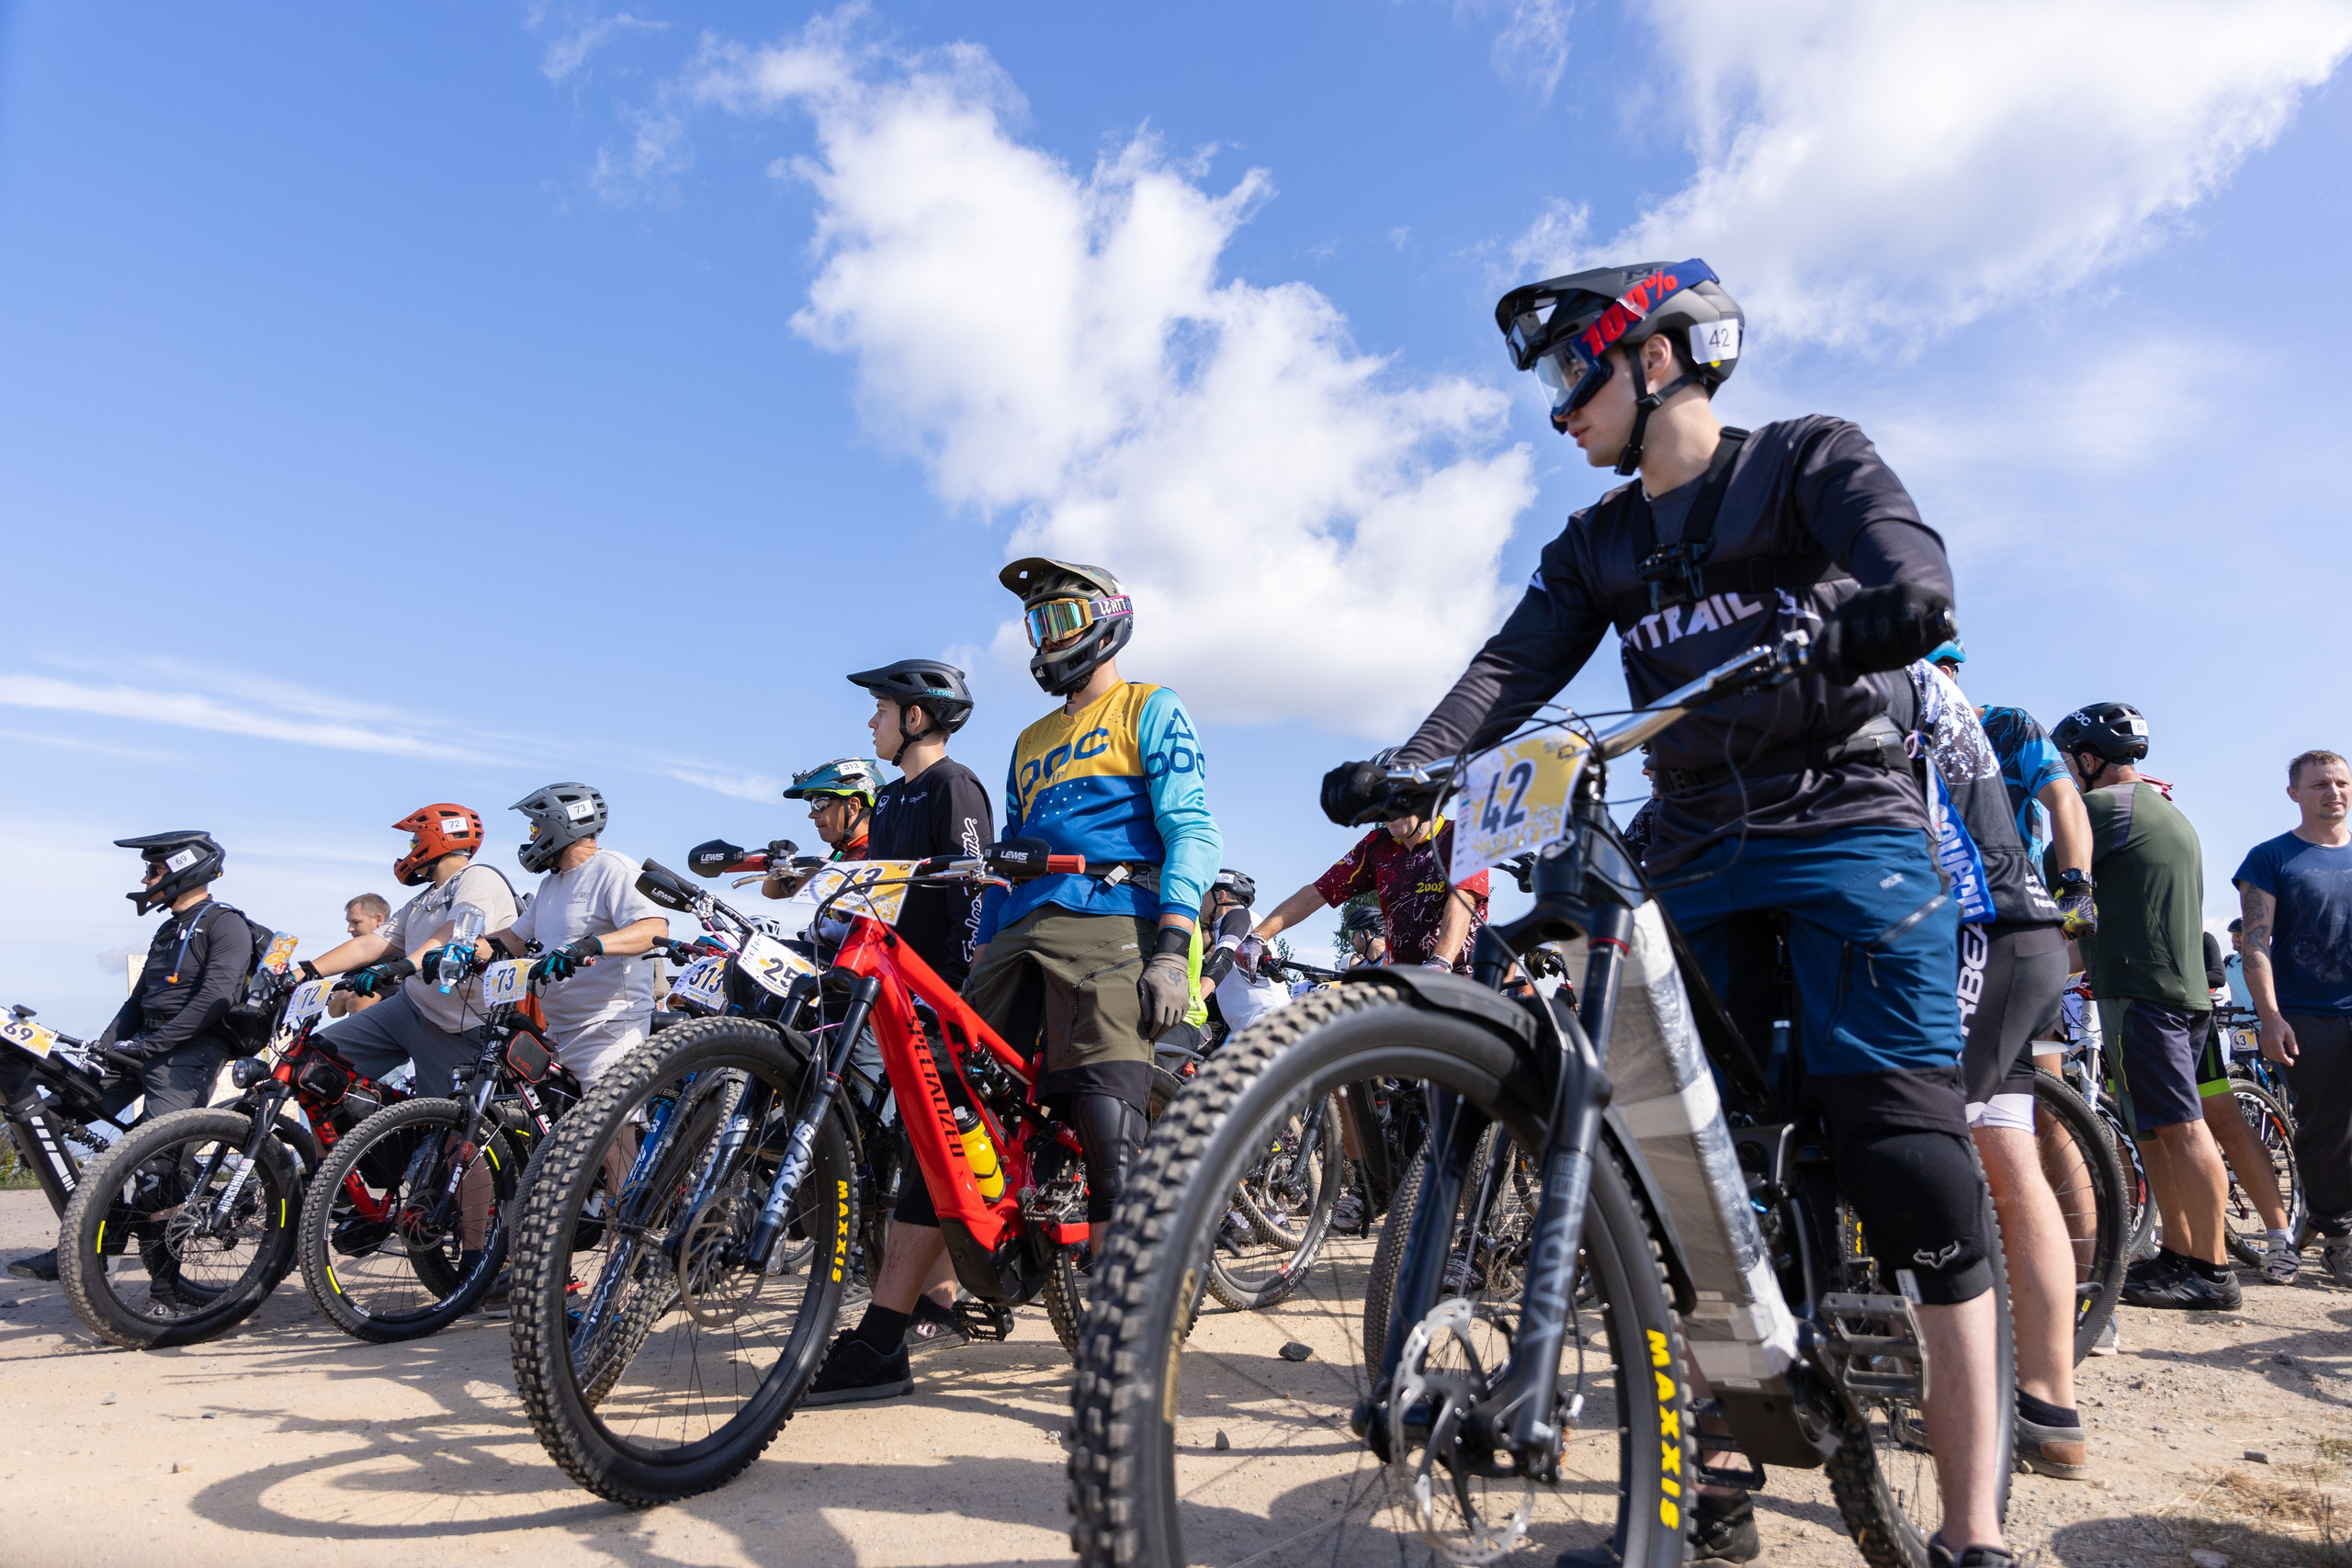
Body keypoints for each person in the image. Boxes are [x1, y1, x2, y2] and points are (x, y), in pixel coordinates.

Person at [1322, 257, 2007, 1565]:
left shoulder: (1806, 458)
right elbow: (1511, 664)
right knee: (1679, 1158)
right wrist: (1418, 758)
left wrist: (1889, 610)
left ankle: (1971, 1530)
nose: (1552, 407)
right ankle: (1717, 1458)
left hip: (1845, 826)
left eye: (1568, 368)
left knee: (1906, 1156)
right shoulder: (1600, 543)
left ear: (1655, 357)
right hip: (1689, 845)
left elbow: (1905, 558)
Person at [807, 558, 1219, 1405]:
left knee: (1108, 1121)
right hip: (1019, 932)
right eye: (1037, 624)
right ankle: (883, 1341)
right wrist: (980, 963)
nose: (1049, 638)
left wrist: (1174, 941)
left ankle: (1123, 1355)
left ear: (1108, 618)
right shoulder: (1030, 743)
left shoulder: (1152, 707)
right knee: (944, 1112)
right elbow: (1001, 869)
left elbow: (1192, 827)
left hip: (1115, 920)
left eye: (1062, 616)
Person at [1906, 658, 2086, 1479]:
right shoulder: (1976, 721)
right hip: (2023, 940)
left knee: (1936, 1150)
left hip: (1984, 931)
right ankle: (2050, 1408)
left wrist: (2075, 876)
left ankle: (1963, 1392)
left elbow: (2063, 799)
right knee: (2009, 1157)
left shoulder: (1980, 722)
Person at [827, 658, 996, 1359]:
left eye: (881, 709)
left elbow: (976, 892)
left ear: (915, 717)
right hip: (895, 994)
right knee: (914, 1147)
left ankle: (945, 1295)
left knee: (944, 1143)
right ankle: (940, 1297)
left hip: (941, 995)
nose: (871, 721)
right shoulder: (894, 800)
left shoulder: (952, 786)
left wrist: (957, 993)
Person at [2053, 703, 2239, 1310]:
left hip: (2144, 994)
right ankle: (2182, 1255)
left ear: (2087, 758)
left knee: (2181, 1129)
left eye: (2067, 762)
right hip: (2170, 989)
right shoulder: (2164, 811)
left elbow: (2042, 888)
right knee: (2157, 1129)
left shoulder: (2103, 809)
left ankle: (2212, 1271)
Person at [7, 832, 254, 1284]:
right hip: (143, 1045)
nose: (145, 879)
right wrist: (103, 1050)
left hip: (189, 1052)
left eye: (154, 871)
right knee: (50, 1118)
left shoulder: (225, 924)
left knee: (156, 1164)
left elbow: (216, 999)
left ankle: (168, 1285)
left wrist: (151, 1047)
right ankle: (102, 1233)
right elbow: (136, 1003)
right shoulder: (168, 929)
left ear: (184, 870)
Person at [2234, 748, 2352, 1287]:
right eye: (2321, 784)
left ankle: (2325, 1220)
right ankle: (2339, 1236)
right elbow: (2255, 944)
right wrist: (2270, 1016)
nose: (2334, 792)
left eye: (2342, 782)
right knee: (2328, 1129)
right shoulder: (2271, 858)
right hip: (2308, 1015)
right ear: (2294, 794)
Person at [300, 807, 521, 1090]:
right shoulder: (423, 899)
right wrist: (304, 971)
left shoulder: (479, 878)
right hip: (409, 1007)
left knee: (446, 1125)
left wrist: (405, 965)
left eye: (415, 841)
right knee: (314, 1065)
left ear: (438, 837)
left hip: (460, 1027)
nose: (411, 850)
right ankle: (367, 1130)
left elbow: (459, 927)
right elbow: (371, 943)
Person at [471, 784, 669, 1088]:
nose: (530, 836)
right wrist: (460, 951)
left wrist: (591, 945)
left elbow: (654, 929)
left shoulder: (614, 869)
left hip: (611, 1029)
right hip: (558, 1031)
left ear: (560, 824)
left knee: (610, 1133)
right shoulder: (551, 885)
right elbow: (513, 938)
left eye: (535, 826)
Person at [1250, 781, 1491, 975]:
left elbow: (1463, 899)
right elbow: (1319, 891)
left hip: (1460, 975)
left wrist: (1440, 962)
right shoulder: (1377, 845)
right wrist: (1259, 935)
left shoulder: (1463, 835)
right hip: (1403, 980)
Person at [763, 758, 884, 898]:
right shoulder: (840, 858)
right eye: (812, 805)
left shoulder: (885, 853)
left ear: (852, 806)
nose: (812, 814)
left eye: (819, 803)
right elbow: (774, 892)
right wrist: (779, 863)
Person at [328, 894, 393, 1018]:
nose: (350, 929)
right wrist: (349, 993)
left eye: (356, 922)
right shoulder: (357, 961)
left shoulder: (394, 958)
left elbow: (359, 1007)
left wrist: (344, 993)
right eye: (349, 923)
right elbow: (334, 1011)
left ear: (379, 920)